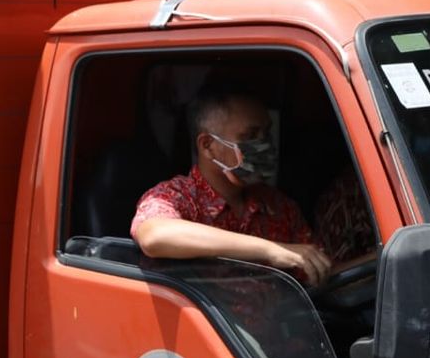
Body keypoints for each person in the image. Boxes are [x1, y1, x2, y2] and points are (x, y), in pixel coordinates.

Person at [131, 87, 333, 285]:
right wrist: (270, 250)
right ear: (208, 146)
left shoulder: (279, 206)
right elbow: (154, 235)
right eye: (250, 136)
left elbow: (317, 270)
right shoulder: (176, 196)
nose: (264, 144)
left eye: (266, 134)